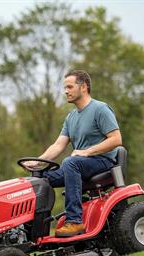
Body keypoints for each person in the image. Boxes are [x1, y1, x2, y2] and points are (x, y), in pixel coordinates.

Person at [27, 70, 122, 237]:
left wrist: (87, 152)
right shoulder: (71, 118)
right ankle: (32, 230)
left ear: (83, 87)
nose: (66, 91)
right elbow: (58, 145)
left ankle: (75, 222)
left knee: (70, 162)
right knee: (39, 179)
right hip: (80, 165)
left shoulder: (100, 109)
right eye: (65, 88)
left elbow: (116, 139)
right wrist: (38, 162)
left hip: (102, 161)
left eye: (69, 87)